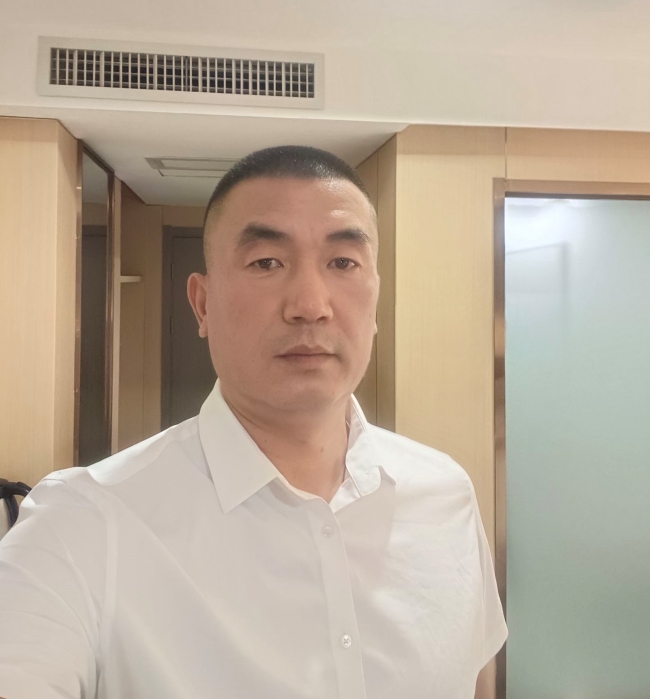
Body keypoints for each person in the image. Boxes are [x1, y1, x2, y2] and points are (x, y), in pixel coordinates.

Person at [0, 145, 506, 699]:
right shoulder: (83, 523)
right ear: (202, 304)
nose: (310, 304)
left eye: (343, 263)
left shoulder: (445, 494)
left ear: (376, 297)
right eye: (267, 262)